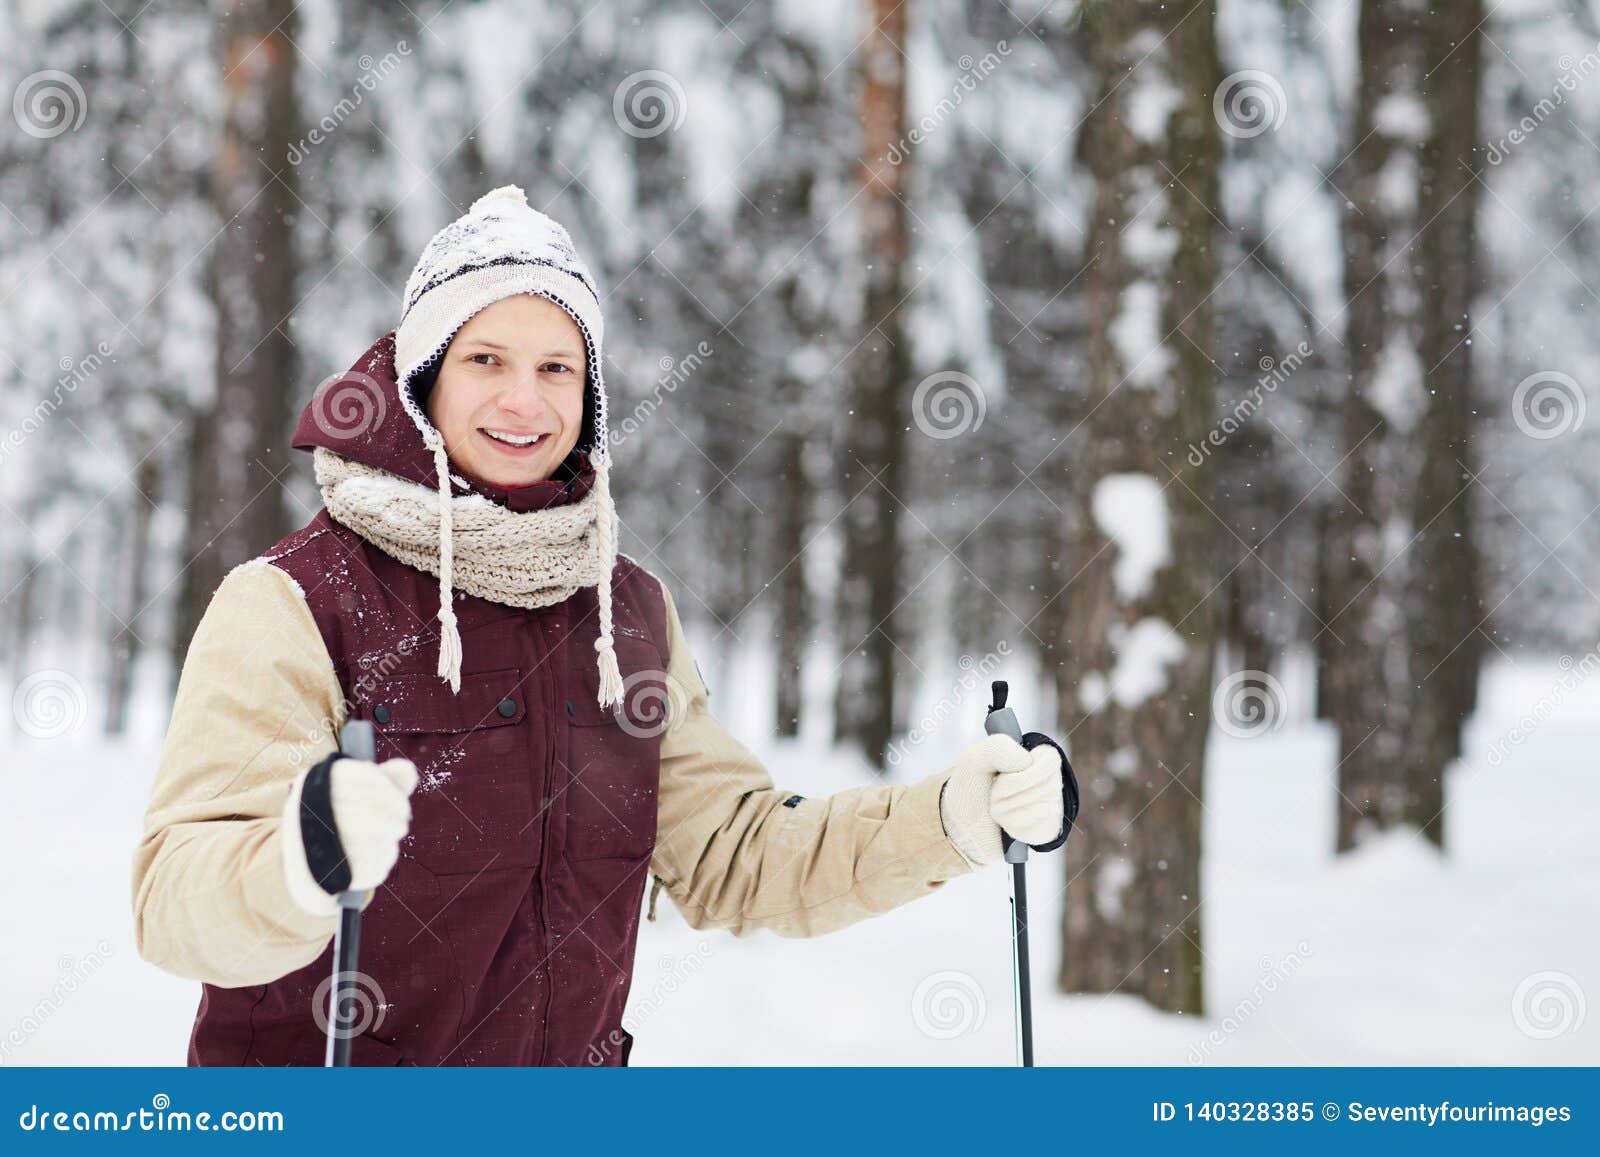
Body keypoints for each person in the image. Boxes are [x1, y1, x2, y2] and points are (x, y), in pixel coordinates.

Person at [131, 187, 1072, 1066]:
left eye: (557, 368)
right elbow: (174, 899)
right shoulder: (299, 600)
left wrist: (955, 818)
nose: (525, 401)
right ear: (423, 381)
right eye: (486, 361)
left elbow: (735, 856)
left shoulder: (626, 617)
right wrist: (297, 860)